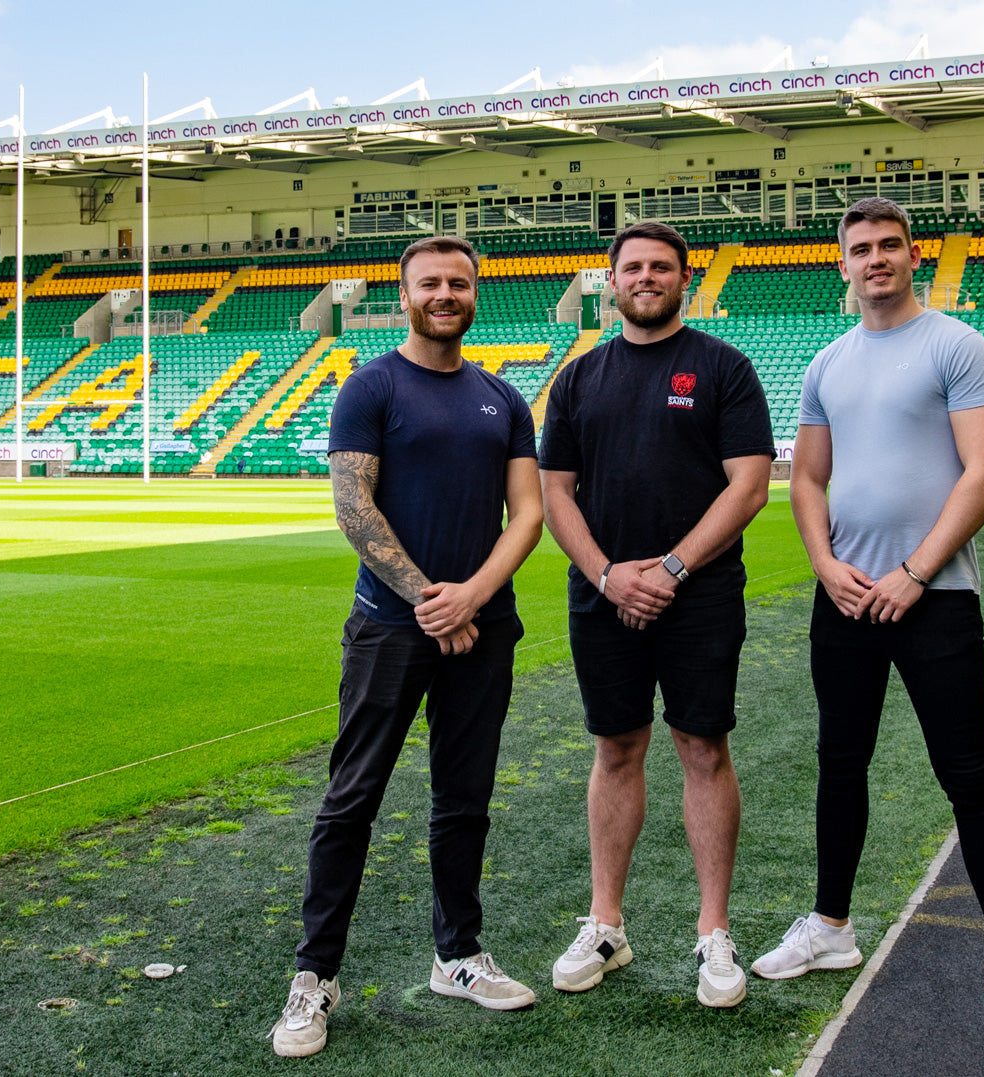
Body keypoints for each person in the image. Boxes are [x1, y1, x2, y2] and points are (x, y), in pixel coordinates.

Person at [750, 197, 984, 1045]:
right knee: (840, 763)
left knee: (967, 775)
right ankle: (830, 926)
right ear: (840, 264)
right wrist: (824, 565)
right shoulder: (826, 363)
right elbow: (805, 479)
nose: (874, 258)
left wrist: (913, 572)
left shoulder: (954, 342)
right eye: (859, 248)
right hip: (844, 597)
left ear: (913, 257)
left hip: (932, 598)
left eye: (889, 246)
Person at [269, 235, 543, 1057]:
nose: (445, 293)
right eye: (430, 282)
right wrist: (433, 598)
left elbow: (526, 513)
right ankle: (314, 976)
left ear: (474, 292)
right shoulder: (371, 384)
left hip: (482, 626)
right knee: (351, 799)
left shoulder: (503, 396)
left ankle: (456, 955)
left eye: (459, 281)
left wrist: (471, 597)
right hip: (392, 627)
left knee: (465, 800)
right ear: (405, 293)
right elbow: (353, 506)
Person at [538, 221, 775, 1008]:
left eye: (661, 267)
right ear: (609, 281)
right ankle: (605, 923)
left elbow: (747, 485)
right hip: (602, 593)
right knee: (616, 748)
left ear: (684, 278)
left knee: (702, 747)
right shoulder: (576, 379)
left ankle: (713, 931)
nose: (645, 277)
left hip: (698, 593)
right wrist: (608, 575)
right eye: (632, 267)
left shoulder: (722, 367)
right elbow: (553, 494)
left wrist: (669, 568)